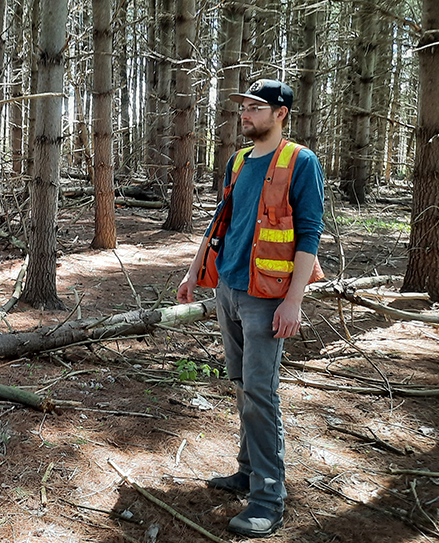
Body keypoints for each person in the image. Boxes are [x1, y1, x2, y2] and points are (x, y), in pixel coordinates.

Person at [176, 79, 325, 538]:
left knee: (261, 393)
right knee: (242, 386)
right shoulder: (238, 162)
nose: (245, 113)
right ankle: (247, 472)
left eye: (255, 107)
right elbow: (220, 220)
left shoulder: (300, 162)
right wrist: (193, 271)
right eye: (243, 106)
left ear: (280, 114)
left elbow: (309, 235)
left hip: (269, 300)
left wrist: (294, 301)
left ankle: (268, 498)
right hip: (230, 289)